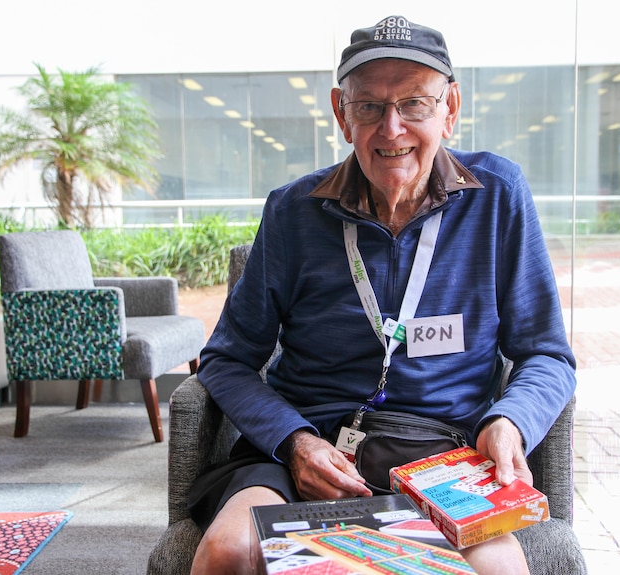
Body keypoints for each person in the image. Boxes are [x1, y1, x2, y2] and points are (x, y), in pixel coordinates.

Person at [188, 15, 576, 575]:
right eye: (369, 106)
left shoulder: (497, 197)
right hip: (308, 446)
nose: (391, 129)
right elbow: (226, 359)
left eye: (415, 103)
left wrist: (509, 420)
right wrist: (294, 441)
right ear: (342, 115)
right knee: (229, 552)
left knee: (498, 570)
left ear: (451, 107)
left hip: (442, 455)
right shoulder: (293, 212)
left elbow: (547, 354)